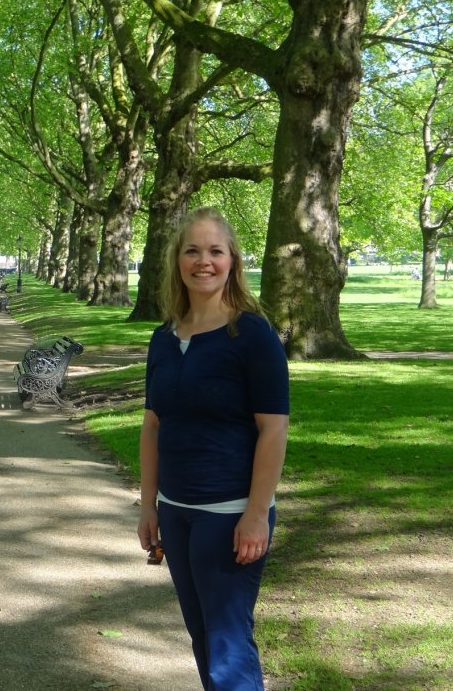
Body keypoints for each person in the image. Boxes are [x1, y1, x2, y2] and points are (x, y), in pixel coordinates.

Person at [139, 207, 289, 691]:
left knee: (227, 643)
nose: (203, 261)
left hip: (228, 514)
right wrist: (149, 506)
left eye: (215, 251)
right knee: (202, 636)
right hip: (177, 514)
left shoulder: (252, 336)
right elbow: (152, 426)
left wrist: (255, 513)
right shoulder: (164, 338)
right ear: (177, 261)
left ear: (232, 262)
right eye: (192, 250)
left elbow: (273, 431)